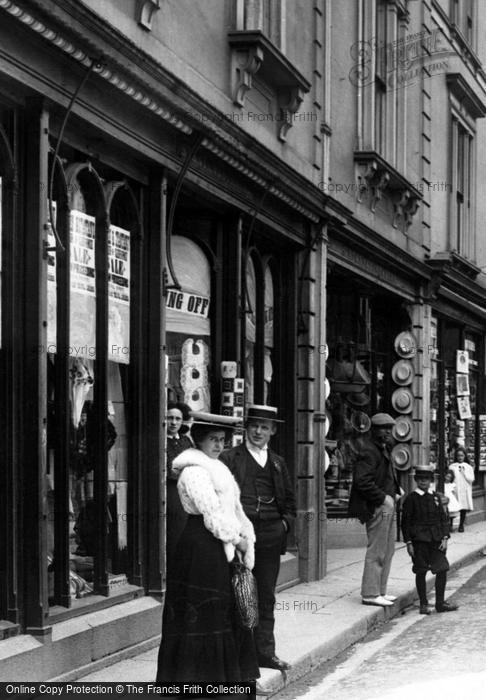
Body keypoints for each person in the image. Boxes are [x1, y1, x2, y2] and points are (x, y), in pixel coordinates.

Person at [156, 411, 259, 683]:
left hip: (221, 546)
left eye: (223, 440)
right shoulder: (193, 471)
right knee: (202, 615)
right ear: (199, 441)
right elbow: (211, 514)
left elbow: (234, 509)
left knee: (223, 612)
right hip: (200, 547)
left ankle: (224, 680)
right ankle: (197, 683)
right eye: (212, 439)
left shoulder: (219, 468)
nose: (218, 445)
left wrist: (244, 538)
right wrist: (238, 540)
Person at [220, 404, 296, 672]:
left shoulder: (277, 462)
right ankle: (240, 659)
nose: (258, 431)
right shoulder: (230, 458)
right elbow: (221, 499)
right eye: (254, 426)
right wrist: (234, 533)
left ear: (273, 431)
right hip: (241, 537)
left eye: (264, 427)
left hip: (271, 535)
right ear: (246, 428)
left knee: (265, 596)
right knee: (240, 595)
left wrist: (284, 524)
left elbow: (290, 499)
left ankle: (265, 652)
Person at [348, 412, 401, 607]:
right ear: (374, 430)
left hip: (385, 504)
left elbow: (383, 476)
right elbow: (362, 481)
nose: (387, 432)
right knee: (377, 550)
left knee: (387, 550)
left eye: (389, 428)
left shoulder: (381, 449)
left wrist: (395, 491)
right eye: (382, 428)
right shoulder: (370, 451)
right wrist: (384, 498)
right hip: (377, 506)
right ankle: (370, 593)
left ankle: (380, 590)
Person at [401, 464, 458, 614]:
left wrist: (445, 538)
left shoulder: (436, 497)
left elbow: (443, 519)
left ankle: (440, 603)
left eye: (426, 479)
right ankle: (423, 604)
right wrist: (409, 542)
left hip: (436, 540)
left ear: (431, 480)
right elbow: (405, 523)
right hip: (419, 541)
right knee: (421, 571)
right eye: (420, 479)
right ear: (416, 480)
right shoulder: (411, 499)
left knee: (442, 569)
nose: (423, 482)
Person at [165, 401, 193, 563]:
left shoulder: (185, 442)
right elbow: (169, 470)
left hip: (186, 493)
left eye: (177, 419)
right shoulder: (161, 442)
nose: (174, 422)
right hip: (170, 493)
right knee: (173, 535)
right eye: (170, 418)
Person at [449, 447, 475, 532]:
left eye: (462, 456)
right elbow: (450, 477)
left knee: (463, 508)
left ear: (464, 456)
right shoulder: (452, 466)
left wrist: (464, 473)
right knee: (453, 507)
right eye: (458, 456)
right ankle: (450, 525)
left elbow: (471, 479)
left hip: (464, 489)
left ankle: (461, 525)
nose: (460, 457)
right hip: (455, 488)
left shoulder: (468, 467)